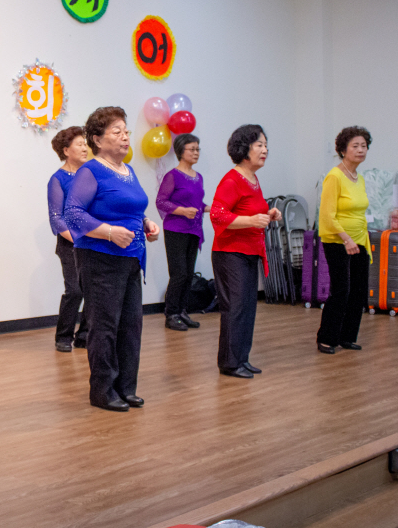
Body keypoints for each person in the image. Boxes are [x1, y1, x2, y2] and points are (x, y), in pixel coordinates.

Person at [65, 107, 160, 412]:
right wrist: (108, 232)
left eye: (126, 131)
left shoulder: (127, 170)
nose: (125, 137)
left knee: (131, 326)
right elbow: (73, 214)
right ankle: (102, 391)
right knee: (104, 327)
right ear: (97, 139)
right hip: (100, 259)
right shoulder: (90, 171)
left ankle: (125, 388)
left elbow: (130, 208)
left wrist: (145, 223)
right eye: (116, 132)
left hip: (131, 259)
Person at [210, 124, 281, 379]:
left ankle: (241, 358)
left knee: (248, 307)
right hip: (231, 253)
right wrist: (251, 220)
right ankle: (230, 363)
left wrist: (268, 214)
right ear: (244, 149)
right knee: (236, 307)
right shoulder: (232, 179)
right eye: (259, 145)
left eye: (266, 145)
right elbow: (218, 216)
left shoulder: (253, 179)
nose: (265, 150)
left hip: (249, 252)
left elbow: (249, 211)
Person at [316, 127, 372, 354]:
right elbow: (327, 216)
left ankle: (347, 337)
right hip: (338, 241)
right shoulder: (334, 176)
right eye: (355, 146)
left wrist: (360, 240)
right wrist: (346, 239)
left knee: (359, 291)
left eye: (364, 146)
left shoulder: (360, 178)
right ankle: (326, 338)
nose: (360, 150)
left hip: (360, 240)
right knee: (341, 290)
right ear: (342, 150)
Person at [156, 133, 209, 332]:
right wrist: (182, 211)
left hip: (194, 229)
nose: (196, 153)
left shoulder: (198, 177)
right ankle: (171, 314)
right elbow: (161, 201)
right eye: (192, 149)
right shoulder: (172, 176)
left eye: (197, 149)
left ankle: (182, 311)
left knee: (188, 274)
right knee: (178, 273)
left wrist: (208, 208)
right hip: (175, 229)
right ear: (180, 151)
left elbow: (196, 203)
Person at [48, 126, 91, 352]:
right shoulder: (58, 179)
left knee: (92, 291)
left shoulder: (90, 175)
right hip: (70, 243)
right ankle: (63, 336)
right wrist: (77, 238)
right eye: (80, 144)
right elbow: (57, 218)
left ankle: (84, 335)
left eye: (85, 144)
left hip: (93, 241)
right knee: (75, 290)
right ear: (66, 150)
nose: (85, 148)